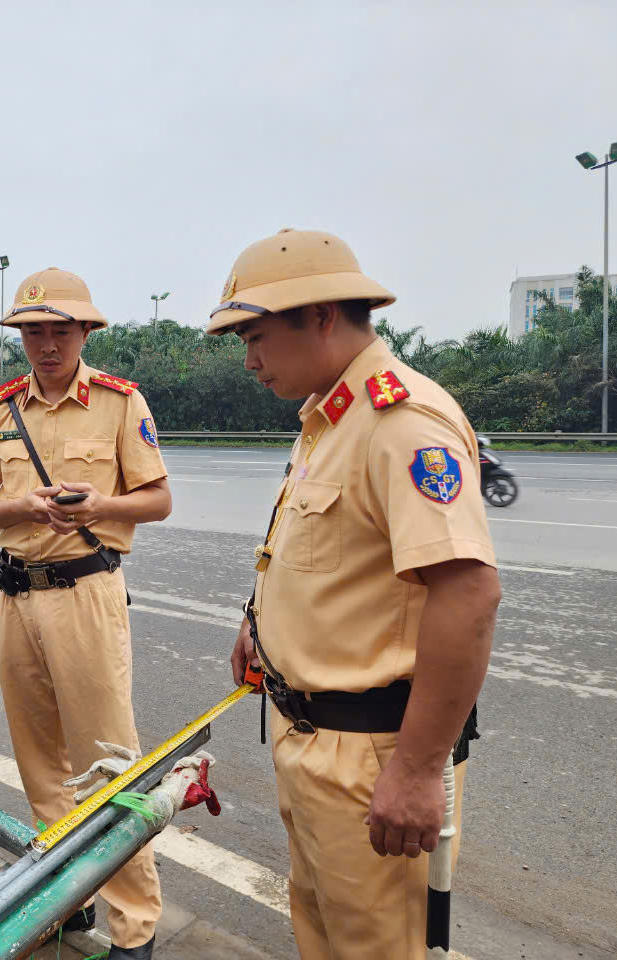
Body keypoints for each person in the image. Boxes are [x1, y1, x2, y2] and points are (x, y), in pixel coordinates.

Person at [210, 228, 500, 960]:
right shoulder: (328, 416)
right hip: (309, 741)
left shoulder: (400, 421)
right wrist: (259, 623)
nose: (248, 358)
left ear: (320, 315)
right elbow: (330, 559)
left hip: (374, 756)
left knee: (377, 948)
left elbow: (467, 593)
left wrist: (416, 768)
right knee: (325, 937)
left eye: (256, 335)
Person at [0, 267, 172, 960]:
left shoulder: (120, 402)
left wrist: (98, 505)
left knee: (108, 758)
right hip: (12, 596)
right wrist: (23, 507)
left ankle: (134, 924)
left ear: (85, 332)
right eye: (33, 332)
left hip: (85, 591)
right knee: (40, 760)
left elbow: (158, 498)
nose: (46, 345)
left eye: (60, 331)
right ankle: (65, 900)